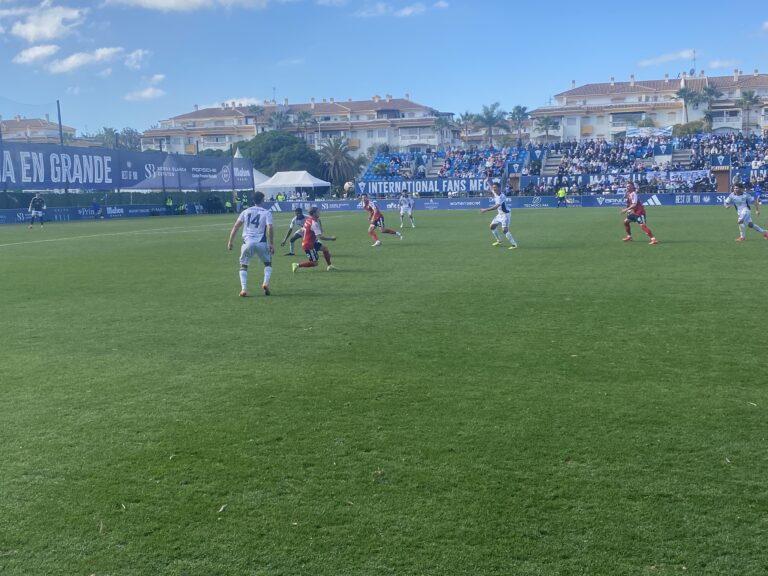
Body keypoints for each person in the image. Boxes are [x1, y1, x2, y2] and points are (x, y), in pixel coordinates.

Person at [227, 191, 274, 297]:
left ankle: (244, 289)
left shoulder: (245, 211)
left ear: (253, 200)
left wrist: (230, 241)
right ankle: (265, 283)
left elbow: (236, 226)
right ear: (262, 200)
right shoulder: (266, 212)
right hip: (261, 242)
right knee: (268, 263)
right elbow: (270, 227)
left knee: (243, 266)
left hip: (247, 242)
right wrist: (271, 243)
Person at [292, 206, 337, 272]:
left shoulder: (309, 220)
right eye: (317, 211)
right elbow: (320, 236)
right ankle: (297, 265)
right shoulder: (314, 223)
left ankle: (329, 266)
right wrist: (331, 238)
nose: (319, 212)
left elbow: (303, 229)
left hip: (312, 242)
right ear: (313, 214)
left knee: (325, 249)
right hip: (308, 245)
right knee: (315, 263)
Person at [479, 182, 517, 249]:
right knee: (492, 227)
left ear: (499, 188)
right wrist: (487, 181)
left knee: (504, 230)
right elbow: (491, 188)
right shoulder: (495, 193)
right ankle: (499, 241)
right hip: (500, 214)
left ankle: (514, 245)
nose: (494, 189)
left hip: (505, 214)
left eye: (495, 187)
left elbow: (496, 206)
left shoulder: (502, 196)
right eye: (494, 187)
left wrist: (485, 210)